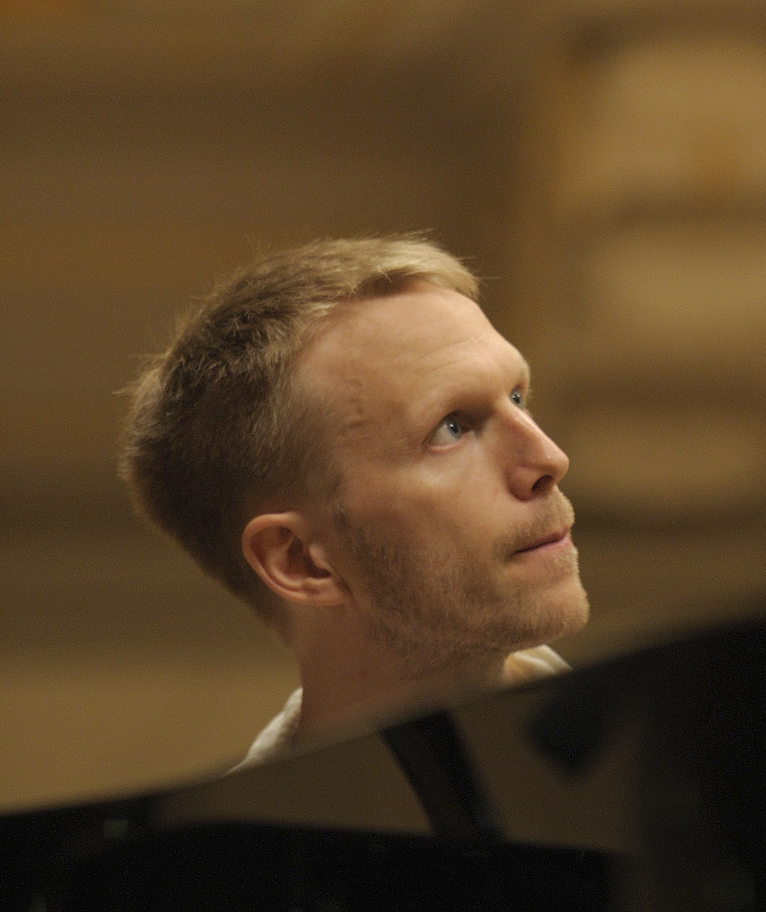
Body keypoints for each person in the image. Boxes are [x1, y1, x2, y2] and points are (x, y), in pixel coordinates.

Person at [119, 235, 587, 765]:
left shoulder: (666, 753)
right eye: (451, 428)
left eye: (518, 397)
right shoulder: (249, 832)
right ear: (301, 560)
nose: (549, 459)